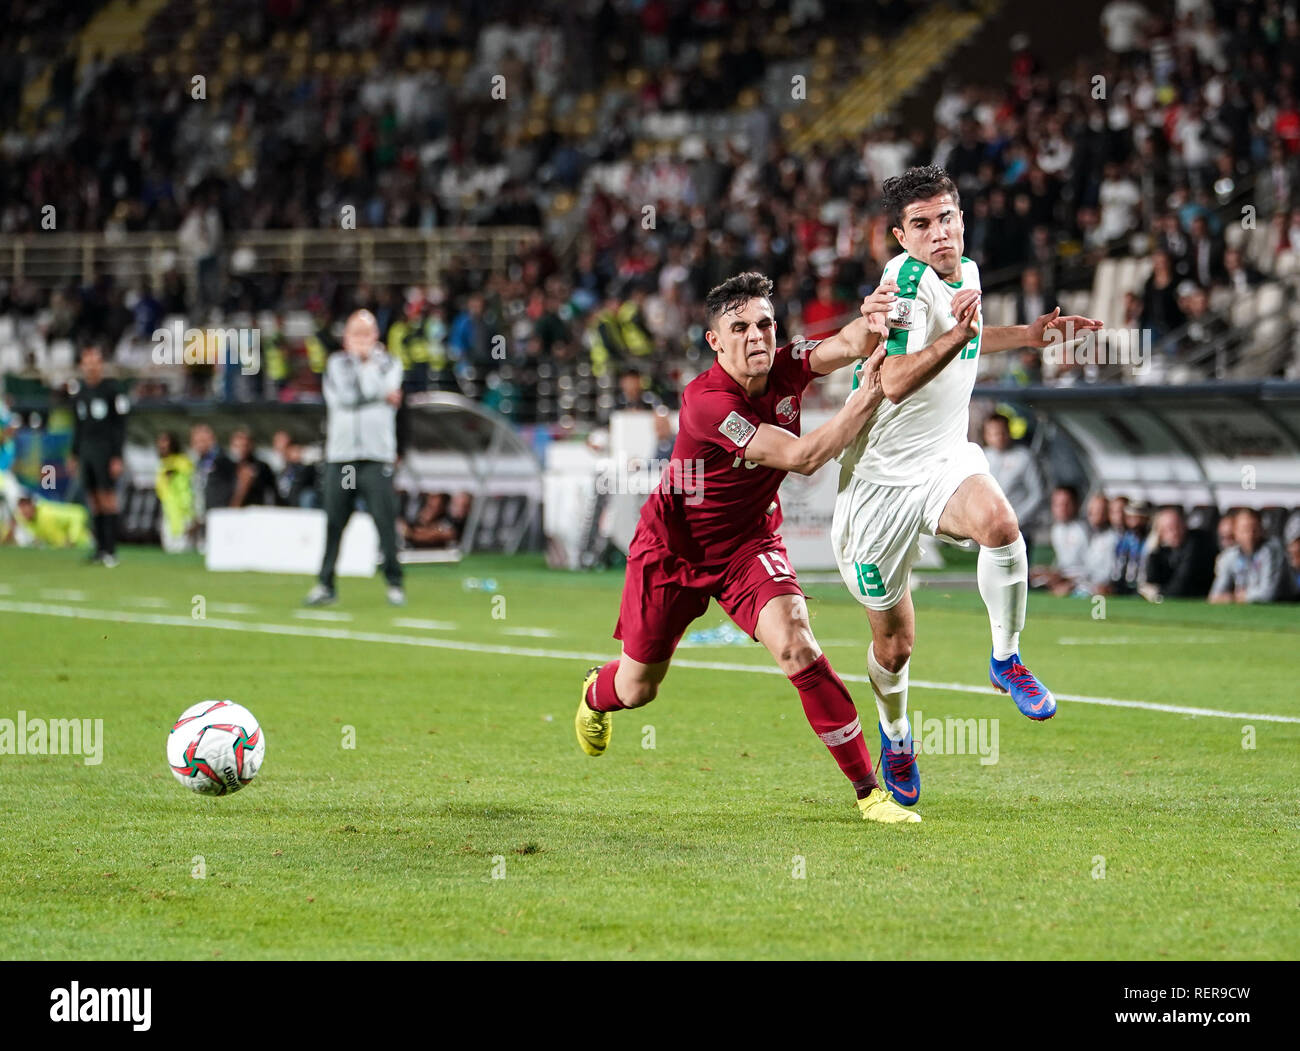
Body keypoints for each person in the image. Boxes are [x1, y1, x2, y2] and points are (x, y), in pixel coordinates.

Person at [575, 271, 923, 825]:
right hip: (672, 549)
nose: (756, 336)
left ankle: (869, 792)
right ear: (715, 341)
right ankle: (597, 693)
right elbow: (805, 456)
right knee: (638, 689)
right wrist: (868, 394)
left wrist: (879, 314)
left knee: (797, 645)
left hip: (747, 543)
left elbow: (849, 343)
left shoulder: (786, 363)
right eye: (739, 328)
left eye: (764, 324)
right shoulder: (705, 403)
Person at [831, 165, 1102, 807]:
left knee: (1002, 527)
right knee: (894, 645)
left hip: (943, 460)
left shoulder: (970, 272)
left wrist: (1029, 336)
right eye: (920, 225)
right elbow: (892, 380)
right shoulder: (901, 283)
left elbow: (973, 340)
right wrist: (956, 333)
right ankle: (896, 735)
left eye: (946, 217)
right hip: (876, 486)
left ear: (962, 218)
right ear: (900, 236)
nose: (939, 233)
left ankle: (1005, 659)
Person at [305, 309, 406, 607]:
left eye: (367, 334)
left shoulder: (389, 362)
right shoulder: (336, 364)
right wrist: (380, 395)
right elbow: (345, 398)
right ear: (346, 337)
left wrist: (368, 365)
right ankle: (325, 584)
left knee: (385, 521)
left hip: (376, 457)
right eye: (355, 334)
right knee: (334, 521)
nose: (361, 341)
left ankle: (395, 583)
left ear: (376, 336)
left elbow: (375, 390)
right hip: (343, 458)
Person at [68, 345, 128, 567]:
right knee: (93, 499)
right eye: (87, 362)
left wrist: (117, 456)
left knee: (107, 498)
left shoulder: (112, 390)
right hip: (86, 450)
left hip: (106, 450)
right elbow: (78, 426)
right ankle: (100, 549)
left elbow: (120, 426)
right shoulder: (80, 391)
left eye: (94, 362)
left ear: (101, 364)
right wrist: (74, 454)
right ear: (82, 365)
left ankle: (112, 550)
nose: (90, 367)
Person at [981, 412, 1046, 550]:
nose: (999, 437)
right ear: (986, 436)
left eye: (1002, 432)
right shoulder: (982, 457)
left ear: (1009, 432)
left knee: (1019, 570)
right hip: (990, 529)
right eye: (994, 433)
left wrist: (1017, 519)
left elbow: (1038, 493)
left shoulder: (1024, 458)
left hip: (1019, 529)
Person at [1209, 508, 1294, 603]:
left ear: (1262, 529)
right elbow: (1215, 595)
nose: (1250, 534)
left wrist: (1236, 597)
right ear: (1235, 532)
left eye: (1255, 529)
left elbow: (1268, 594)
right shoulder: (1229, 555)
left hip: (1284, 604)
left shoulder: (1271, 550)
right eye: (1245, 529)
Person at [1140, 506, 1217, 599]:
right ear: (1160, 532)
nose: (1174, 532)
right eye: (1168, 529)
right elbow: (1151, 581)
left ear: (1184, 526)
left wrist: (1158, 592)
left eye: (1177, 526)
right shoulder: (1163, 549)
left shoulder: (1195, 544)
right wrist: (1153, 551)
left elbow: (1181, 586)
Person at [1031, 484, 1090, 596]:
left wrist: (1065, 579)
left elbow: (1090, 569)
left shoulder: (1083, 530)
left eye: (1066, 504)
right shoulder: (1057, 530)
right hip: (1064, 578)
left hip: (1083, 583)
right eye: (1057, 504)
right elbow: (1063, 565)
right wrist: (1047, 571)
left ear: (1076, 505)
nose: (1062, 508)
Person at [154, 431, 195, 553]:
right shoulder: (162, 464)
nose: (162, 445)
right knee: (169, 547)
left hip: (184, 511)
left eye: (165, 441)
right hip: (168, 511)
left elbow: (188, 486)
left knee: (183, 548)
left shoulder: (182, 462)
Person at [11, 495, 92, 549]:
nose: (24, 511)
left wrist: (70, 540)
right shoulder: (20, 516)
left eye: (26, 506)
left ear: (32, 506)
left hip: (77, 521)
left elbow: (58, 538)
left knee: (78, 543)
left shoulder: (46, 516)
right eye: (21, 508)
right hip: (65, 530)